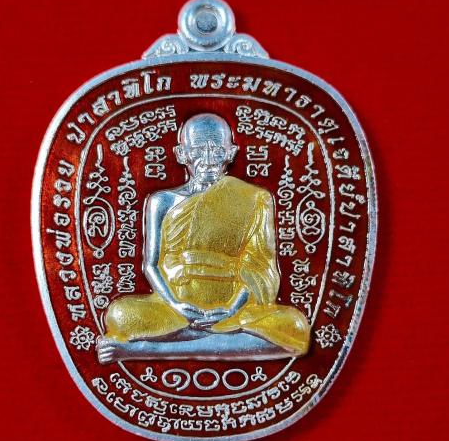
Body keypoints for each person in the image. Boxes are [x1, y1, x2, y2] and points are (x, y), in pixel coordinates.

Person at [97, 113, 310, 363]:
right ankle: (223, 342)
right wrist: (176, 304)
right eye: (198, 150)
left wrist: (231, 309)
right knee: (120, 315)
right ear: (182, 154)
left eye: (217, 151)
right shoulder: (162, 201)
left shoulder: (254, 199)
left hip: (233, 307)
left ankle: (144, 349)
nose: (208, 160)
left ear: (230, 153)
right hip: (174, 307)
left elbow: (260, 267)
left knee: (295, 326)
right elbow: (151, 264)